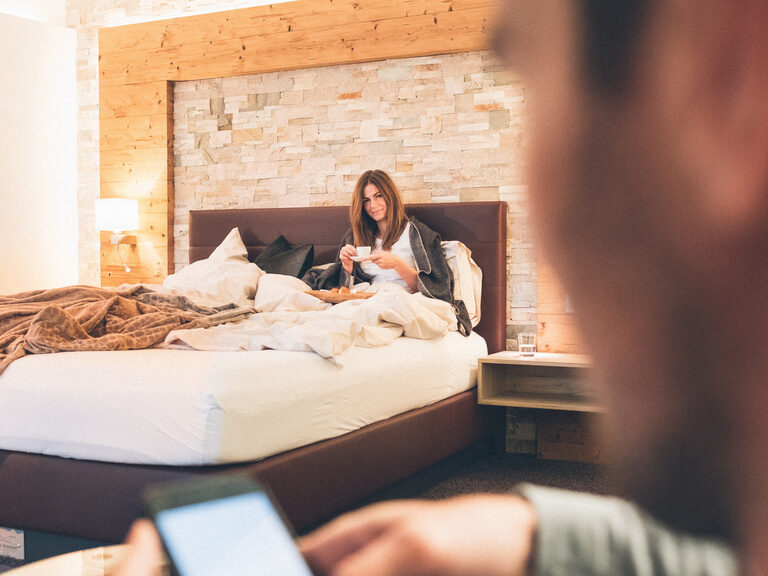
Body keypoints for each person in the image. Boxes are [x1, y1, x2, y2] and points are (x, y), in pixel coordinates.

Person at [116, 0, 768, 573]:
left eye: (534, 80)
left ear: (729, 79)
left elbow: (443, 295)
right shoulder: (356, 241)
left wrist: (391, 274)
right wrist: (527, 537)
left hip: (407, 304)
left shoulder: (420, 236)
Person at [304, 169, 472, 334]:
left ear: (390, 196)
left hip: (402, 299)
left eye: (378, 196)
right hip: (367, 297)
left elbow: (439, 288)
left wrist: (397, 264)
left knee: (372, 311)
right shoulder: (355, 236)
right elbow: (345, 289)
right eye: (366, 200)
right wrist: (347, 268)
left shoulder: (417, 234)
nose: (373, 205)